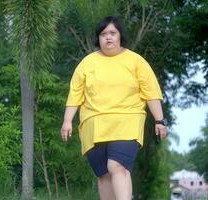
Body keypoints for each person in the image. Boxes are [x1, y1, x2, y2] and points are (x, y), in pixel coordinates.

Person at [60, 16, 167, 200]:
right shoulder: (87, 63)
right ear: (98, 38)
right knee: (103, 174)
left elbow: (151, 92)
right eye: (103, 34)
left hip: (127, 120)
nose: (108, 37)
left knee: (117, 166)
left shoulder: (136, 61)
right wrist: (67, 121)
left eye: (112, 33)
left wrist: (159, 120)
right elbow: (75, 94)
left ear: (120, 36)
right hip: (94, 125)